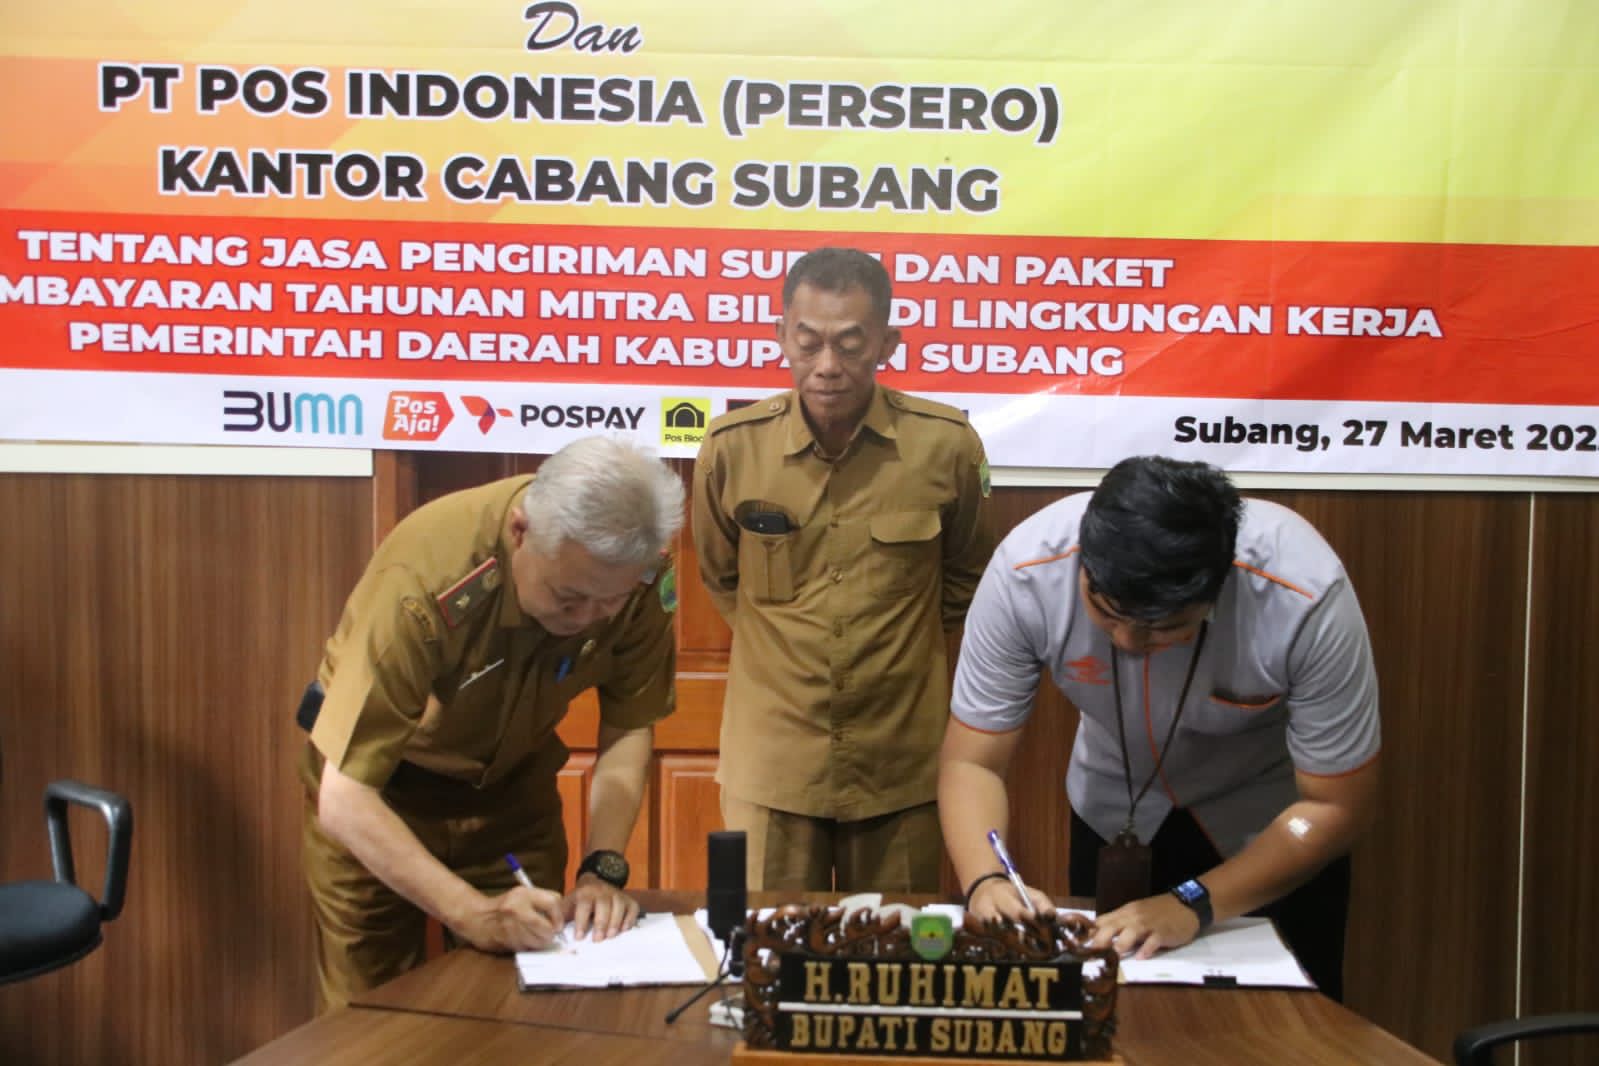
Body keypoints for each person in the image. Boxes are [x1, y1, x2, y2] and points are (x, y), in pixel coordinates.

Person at [939, 455, 1379, 1001]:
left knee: (1283, 1029)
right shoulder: (1027, 573)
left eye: (1164, 627)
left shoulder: (1302, 594)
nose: (1127, 642)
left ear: (1217, 589)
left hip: (1272, 837)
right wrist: (986, 879)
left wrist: (1193, 902)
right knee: (1114, 1015)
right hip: (1113, 816)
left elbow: (1337, 805)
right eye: (1105, 613)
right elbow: (972, 762)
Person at [299, 436, 684, 1009]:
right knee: (369, 1011)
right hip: (384, 793)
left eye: (609, 602)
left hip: (512, 787)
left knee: (530, 992)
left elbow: (629, 726)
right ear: (520, 532)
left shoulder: (639, 573)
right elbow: (345, 795)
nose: (587, 618)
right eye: (569, 597)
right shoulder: (426, 576)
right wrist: (472, 914)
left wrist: (601, 871)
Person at [693, 246, 996, 893]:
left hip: (898, 763)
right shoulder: (731, 449)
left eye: (850, 344)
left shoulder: (945, 446)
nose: (827, 365)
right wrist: (785, 644)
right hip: (772, 762)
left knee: (896, 945)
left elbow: (968, 573)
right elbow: (720, 576)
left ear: (887, 343)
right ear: (781, 336)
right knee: (760, 942)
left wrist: (896, 644)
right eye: (808, 343)